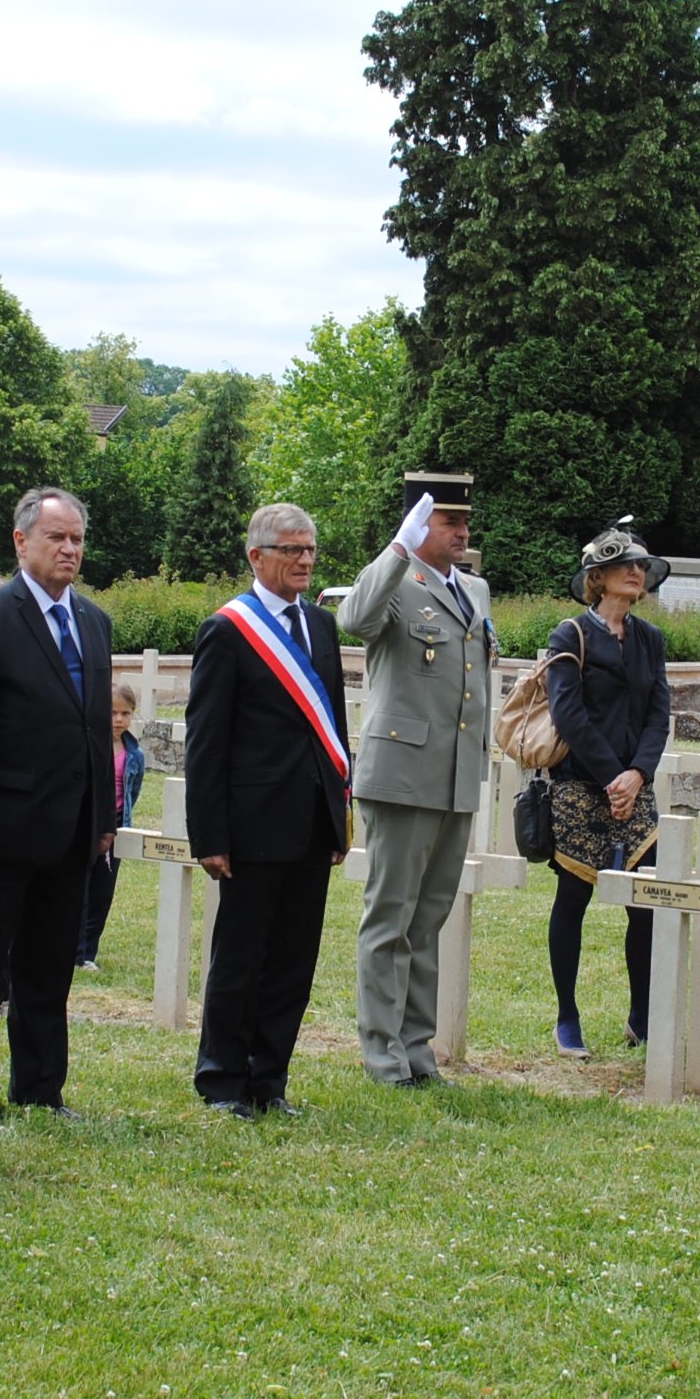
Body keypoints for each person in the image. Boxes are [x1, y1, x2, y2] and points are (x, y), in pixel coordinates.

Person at [0, 487, 115, 1130]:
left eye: (76, 538)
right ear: (21, 542)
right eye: (56, 538)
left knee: (48, 967)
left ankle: (40, 1088)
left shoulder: (93, 622)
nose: (69, 549)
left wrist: (101, 819)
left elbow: (94, 728)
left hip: (71, 828)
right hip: (1, 828)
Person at [187, 503, 351, 1116]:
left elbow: (332, 725)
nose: (304, 560)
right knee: (241, 957)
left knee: (292, 961)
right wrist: (209, 834)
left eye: (309, 549)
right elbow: (206, 740)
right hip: (252, 826)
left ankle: (268, 1080)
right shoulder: (229, 629)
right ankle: (223, 1080)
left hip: (310, 821)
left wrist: (339, 816)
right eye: (291, 550)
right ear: (257, 556)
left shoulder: (322, 626)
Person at [340, 471, 497, 1084]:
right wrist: (396, 549)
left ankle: (417, 1048)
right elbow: (354, 620)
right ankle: (382, 1053)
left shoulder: (475, 590)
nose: (462, 532)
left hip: (455, 775)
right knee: (390, 918)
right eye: (448, 522)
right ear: (418, 525)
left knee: (429, 918)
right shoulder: (394, 581)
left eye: (464, 522)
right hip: (402, 773)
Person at [543, 523, 674, 1055]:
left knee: (646, 903)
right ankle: (567, 1016)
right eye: (626, 566)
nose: (636, 573)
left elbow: (659, 713)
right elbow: (568, 715)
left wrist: (637, 774)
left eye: (641, 566)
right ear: (598, 579)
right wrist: (609, 775)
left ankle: (641, 1015)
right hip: (580, 787)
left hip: (635, 791)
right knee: (572, 900)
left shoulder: (650, 639)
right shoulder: (569, 635)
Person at [76, 679, 146, 971]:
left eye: (125, 713)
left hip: (116, 828)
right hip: (88, 825)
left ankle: (89, 952)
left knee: (103, 894)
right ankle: (75, 952)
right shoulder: (91, 745)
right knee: (81, 891)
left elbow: (134, 790)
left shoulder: (135, 754)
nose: (119, 720)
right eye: (113, 712)